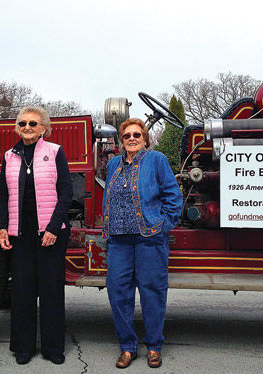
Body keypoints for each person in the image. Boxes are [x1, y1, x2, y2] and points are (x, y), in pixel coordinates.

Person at [102, 118, 183, 369]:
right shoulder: (113, 164)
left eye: (137, 134)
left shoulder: (156, 160)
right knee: (118, 292)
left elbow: (173, 196)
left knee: (153, 292)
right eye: (127, 136)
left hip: (149, 238)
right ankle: (127, 346)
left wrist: (163, 225)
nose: (132, 139)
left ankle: (154, 346)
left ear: (145, 138)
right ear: (121, 141)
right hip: (119, 240)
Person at [0, 106, 73, 365]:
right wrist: (3, 227)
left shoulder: (55, 152)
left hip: (50, 233)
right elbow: (4, 195)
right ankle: (23, 347)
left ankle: (53, 348)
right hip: (21, 233)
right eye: (22, 124)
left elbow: (66, 193)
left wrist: (53, 228)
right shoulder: (9, 156)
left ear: (43, 128)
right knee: (22, 291)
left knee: (52, 290)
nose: (27, 128)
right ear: (17, 127)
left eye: (32, 123)